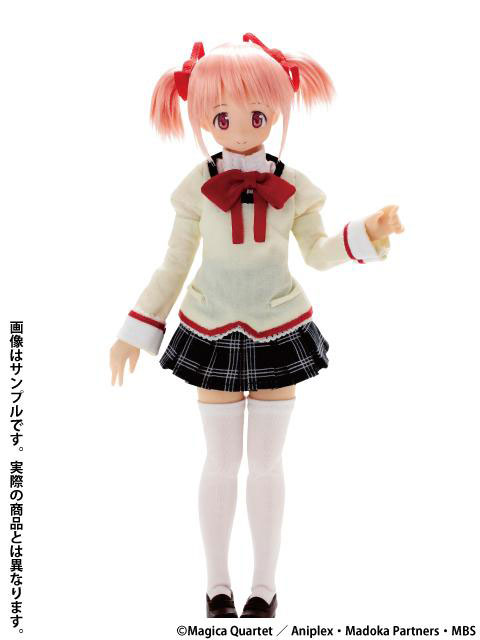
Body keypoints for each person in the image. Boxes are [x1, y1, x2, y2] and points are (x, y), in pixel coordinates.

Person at [109, 33, 404, 618]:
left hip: (278, 326)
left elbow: (318, 252)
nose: (240, 128)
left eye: (257, 115)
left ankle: (264, 587)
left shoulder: (294, 187)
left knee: (267, 465)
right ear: (202, 117)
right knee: (220, 463)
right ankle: (217, 585)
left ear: (278, 110)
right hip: (211, 328)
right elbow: (174, 265)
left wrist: (364, 233)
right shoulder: (195, 188)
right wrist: (136, 328)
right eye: (222, 117)